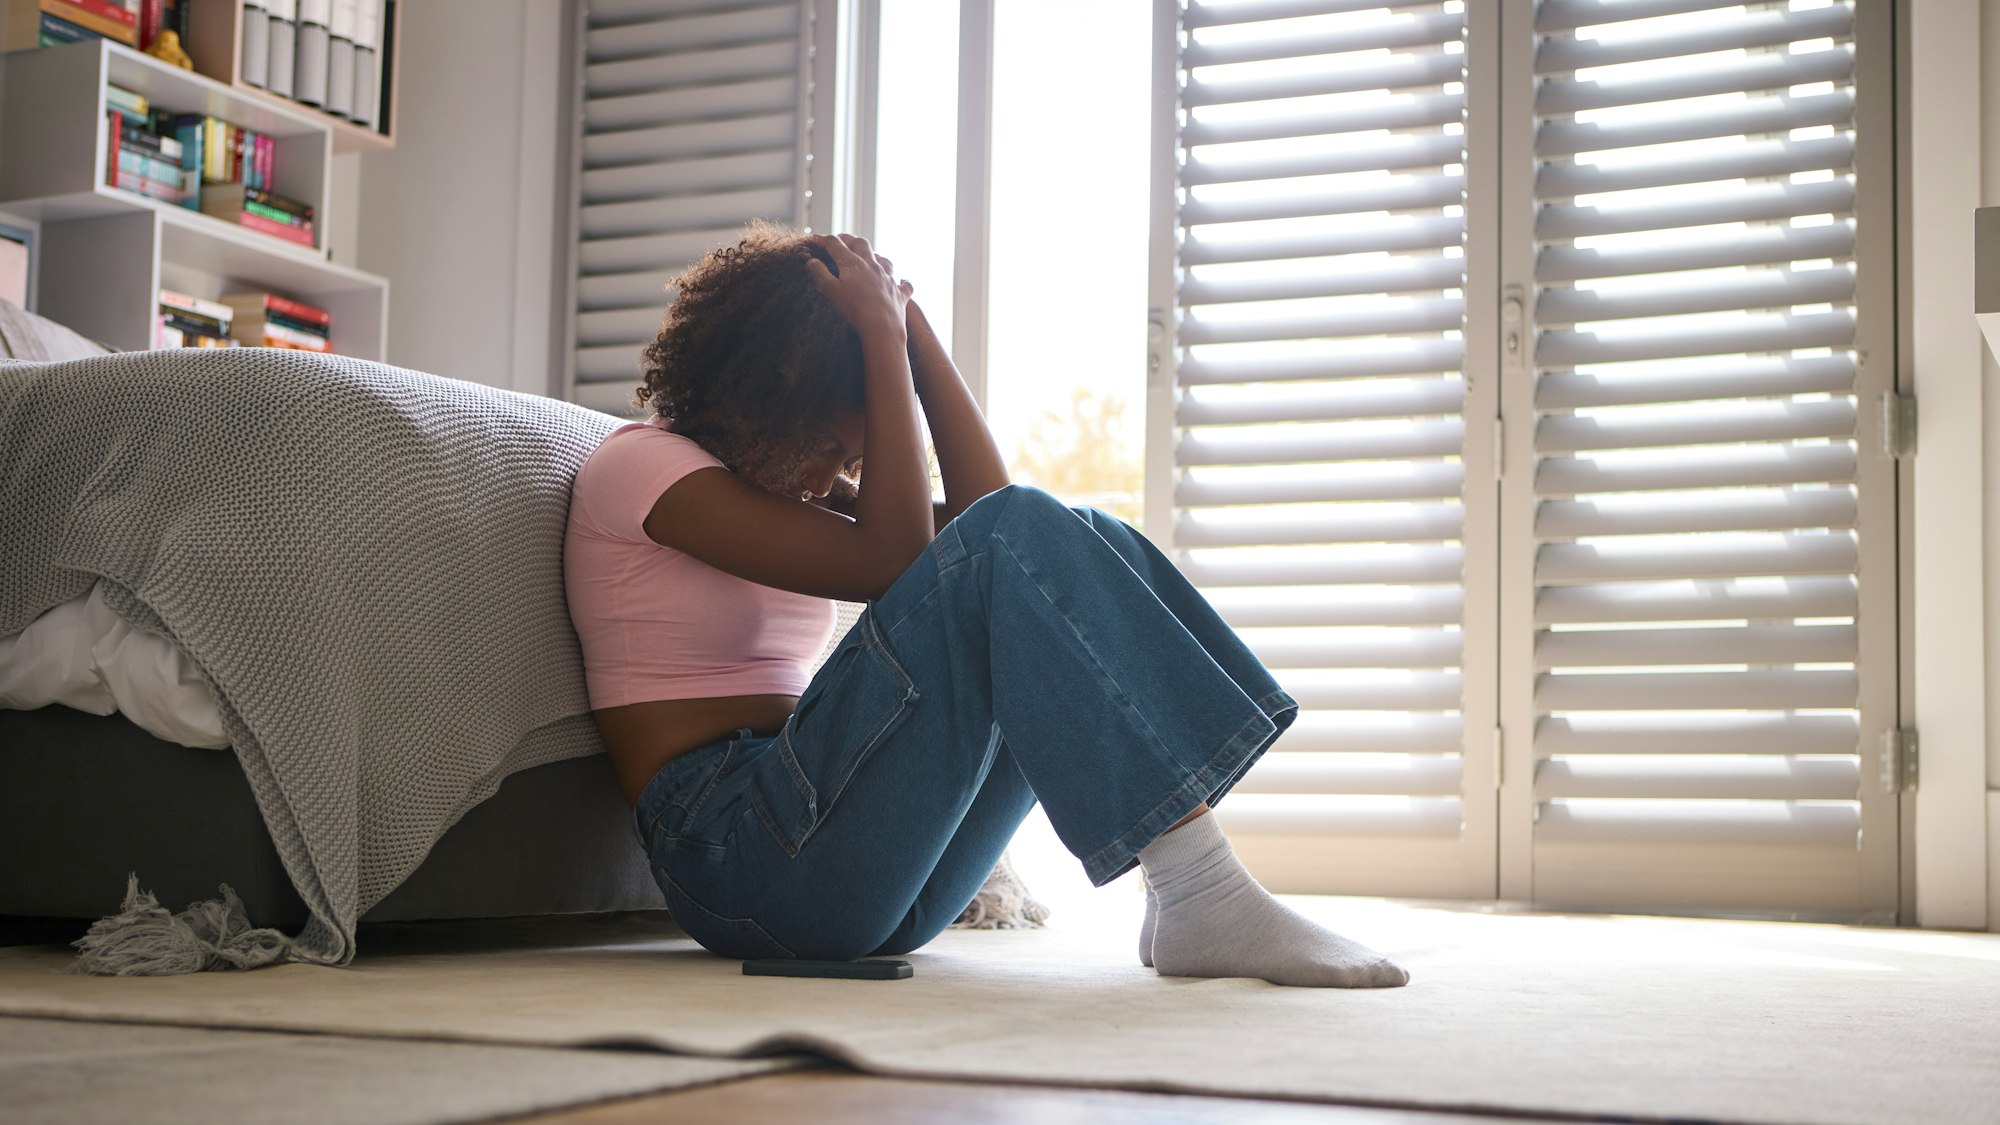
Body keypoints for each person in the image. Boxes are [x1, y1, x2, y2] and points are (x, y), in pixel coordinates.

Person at [562, 222, 1409, 988]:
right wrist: (882, 345)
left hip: (859, 870)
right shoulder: (642, 469)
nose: (830, 478)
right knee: (1011, 539)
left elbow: (990, 517)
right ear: (769, 399)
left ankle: (1187, 882)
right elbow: (901, 554)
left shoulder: (777, 491)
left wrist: (913, 330)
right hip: (737, 856)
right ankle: (1202, 888)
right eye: (828, 446)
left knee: (1067, 531)